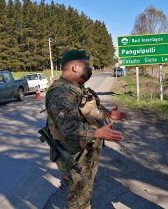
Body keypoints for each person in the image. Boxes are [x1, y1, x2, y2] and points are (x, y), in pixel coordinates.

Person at [45, 49, 125, 209]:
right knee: (78, 199)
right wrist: (97, 133)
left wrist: (109, 114)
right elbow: (69, 127)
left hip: (86, 154)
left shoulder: (80, 89)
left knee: (84, 193)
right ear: (75, 67)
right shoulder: (61, 93)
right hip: (74, 156)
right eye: (86, 65)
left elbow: (91, 110)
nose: (90, 69)